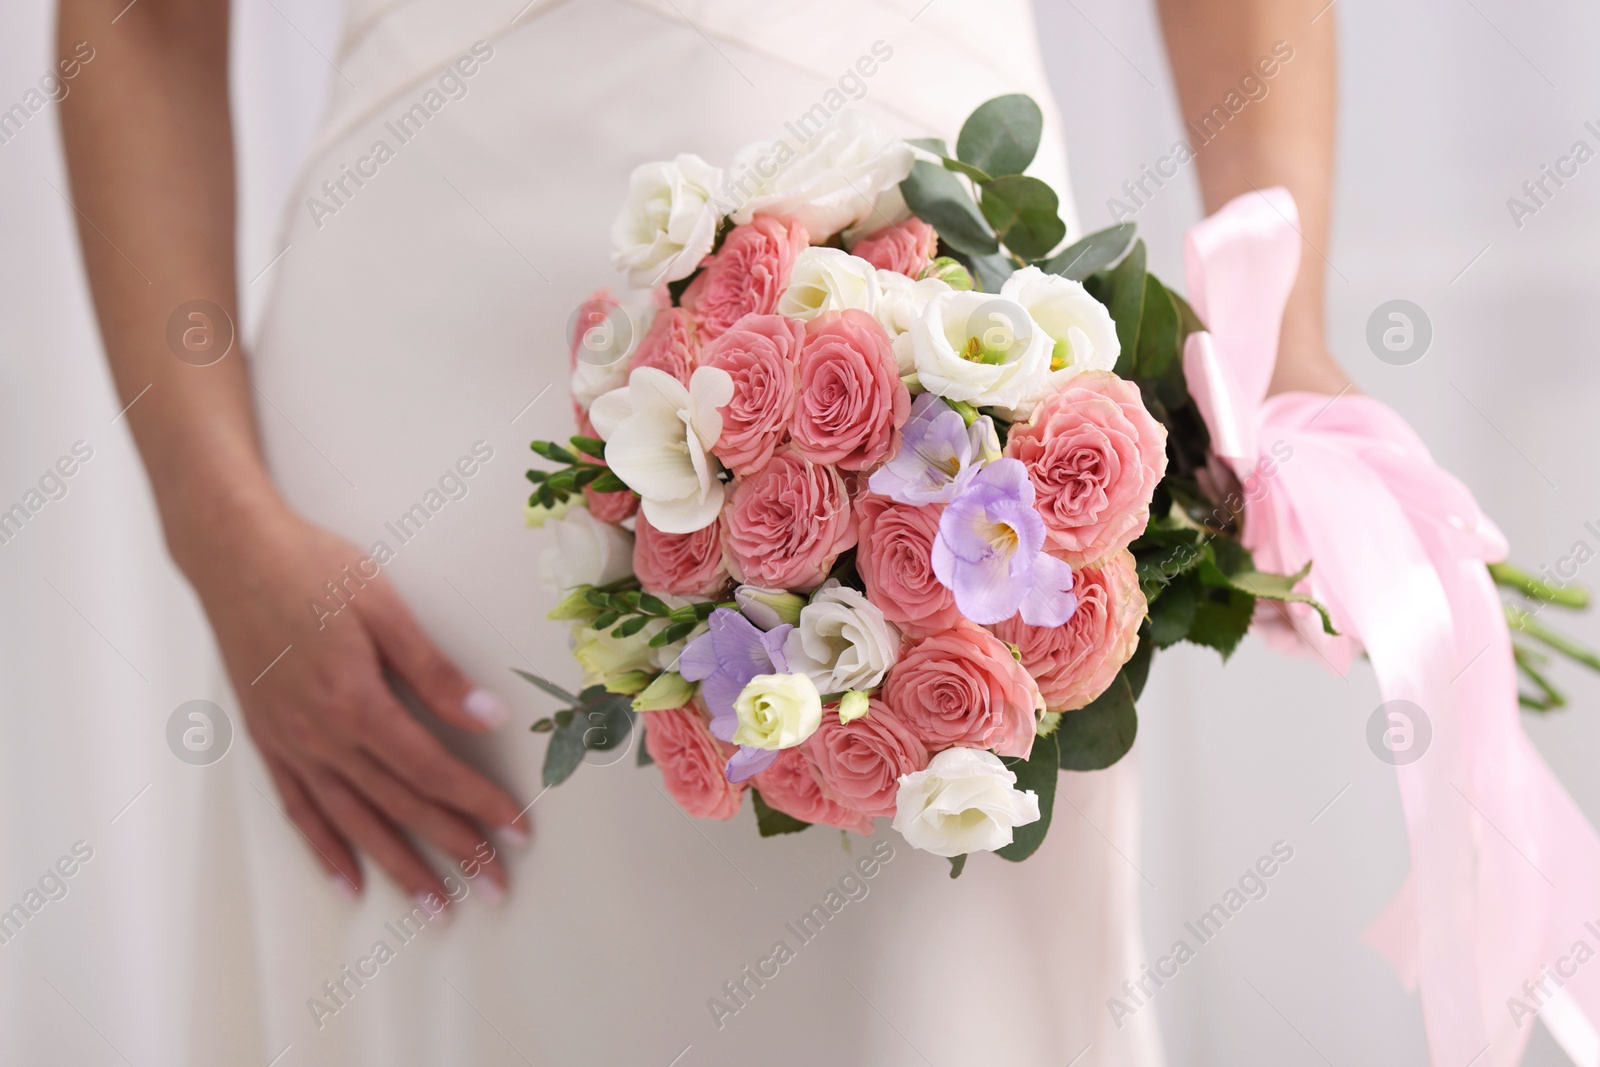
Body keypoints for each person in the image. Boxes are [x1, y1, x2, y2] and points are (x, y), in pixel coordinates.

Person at [57, 0, 1343, 1062]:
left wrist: (1280, 351)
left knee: (923, 993)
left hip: (941, 305)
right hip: (416, 377)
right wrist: (212, 522)